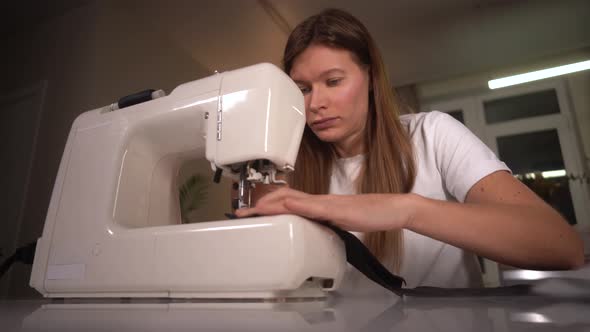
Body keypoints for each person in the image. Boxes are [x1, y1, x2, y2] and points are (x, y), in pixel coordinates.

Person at [234, 8, 584, 288]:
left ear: (370, 79)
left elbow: (561, 246)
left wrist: (405, 210)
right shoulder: (286, 166)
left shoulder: (433, 134)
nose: (316, 103)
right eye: (303, 88)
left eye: (334, 81)